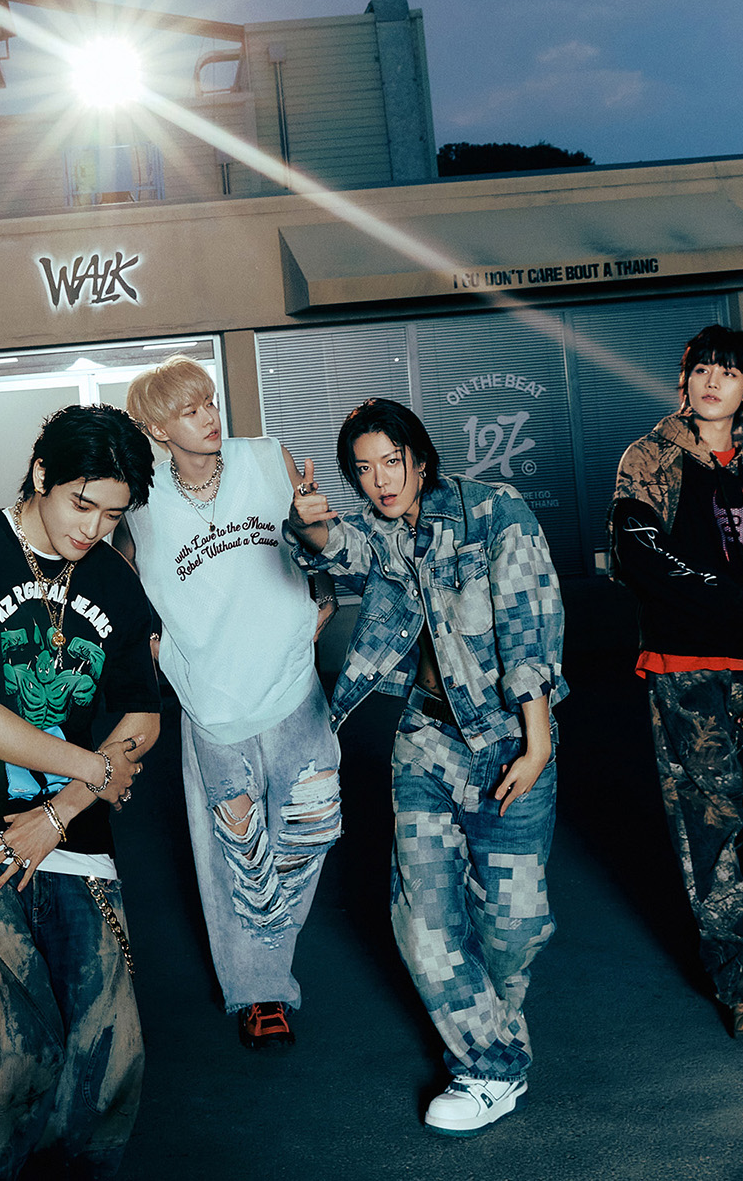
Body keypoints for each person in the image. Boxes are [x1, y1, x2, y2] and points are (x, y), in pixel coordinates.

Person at [287, 398, 565, 1138]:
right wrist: (311, 524)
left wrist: (537, 743)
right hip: (426, 744)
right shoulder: (382, 532)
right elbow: (339, 550)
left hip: (510, 740)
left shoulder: (494, 511)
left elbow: (529, 625)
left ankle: (491, 1033)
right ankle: (490, 1070)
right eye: (363, 470)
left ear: (420, 457)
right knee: (425, 923)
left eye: (391, 462)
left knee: (514, 928)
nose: (380, 480)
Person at [0, 404, 159, 1179]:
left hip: (71, 834)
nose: (93, 529)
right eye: (83, 504)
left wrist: (65, 807)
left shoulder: (111, 576)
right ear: (42, 473)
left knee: (114, 1056)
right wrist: (96, 769)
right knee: (18, 1054)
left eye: (112, 514)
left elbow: (142, 717)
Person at [117, 356, 339, 1051]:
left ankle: (267, 952)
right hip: (212, 700)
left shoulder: (266, 459)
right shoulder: (140, 498)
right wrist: (155, 649)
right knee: (234, 849)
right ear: (157, 428)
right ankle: (261, 990)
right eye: (189, 410)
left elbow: (314, 544)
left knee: (308, 830)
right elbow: (116, 580)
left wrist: (322, 584)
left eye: (210, 402)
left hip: (292, 683)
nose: (210, 418)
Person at [608, 325, 743, 1041]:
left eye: (728, 372)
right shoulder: (650, 458)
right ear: (685, 381)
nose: (712, 381)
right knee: (710, 825)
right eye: (701, 370)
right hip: (685, 670)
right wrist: (731, 602)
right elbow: (639, 554)